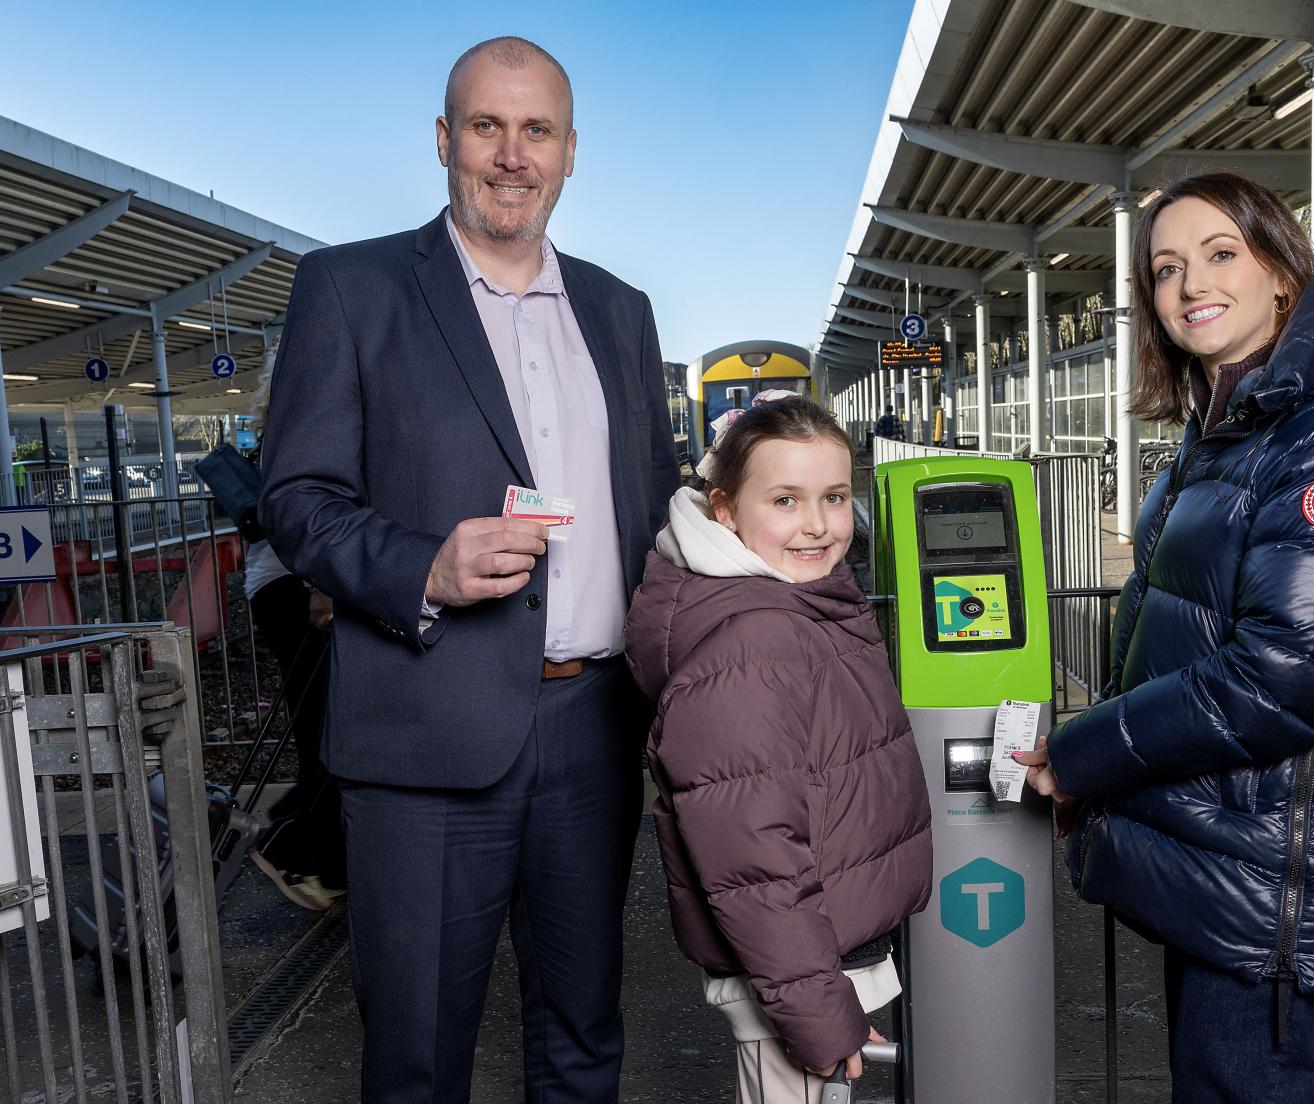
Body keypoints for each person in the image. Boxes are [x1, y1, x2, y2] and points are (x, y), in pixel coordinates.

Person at [258, 35, 679, 1103]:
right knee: (417, 1055)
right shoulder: (348, 289)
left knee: (583, 1033)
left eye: (535, 130)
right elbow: (295, 498)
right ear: (445, 140)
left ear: (570, 152)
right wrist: (424, 570)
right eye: (486, 127)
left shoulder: (620, 313)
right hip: (422, 734)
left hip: (592, 731)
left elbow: (656, 510)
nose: (510, 154)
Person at [1016, 172, 1314, 1103]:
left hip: (1273, 866)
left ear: (1281, 269)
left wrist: (1085, 754)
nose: (1191, 286)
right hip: (1233, 843)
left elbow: (1284, 678)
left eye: (1221, 254)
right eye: (1166, 269)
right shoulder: (1236, 420)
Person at [625, 397, 932, 1103]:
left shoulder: (793, 607)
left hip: (820, 960)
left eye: (833, 497)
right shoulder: (755, 642)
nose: (818, 524)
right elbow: (755, 861)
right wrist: (819, 1015)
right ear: (725, 510)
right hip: (800, 975)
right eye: (786, 500)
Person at [243, 366, 345, 910]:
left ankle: (307, 841)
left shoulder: (283, 424)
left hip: (282, 584)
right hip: (295, 586)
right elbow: (306, 517)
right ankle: (297, 853)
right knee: (328, 721)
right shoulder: (302, 427)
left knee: (323, 721)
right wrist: (320, 586)